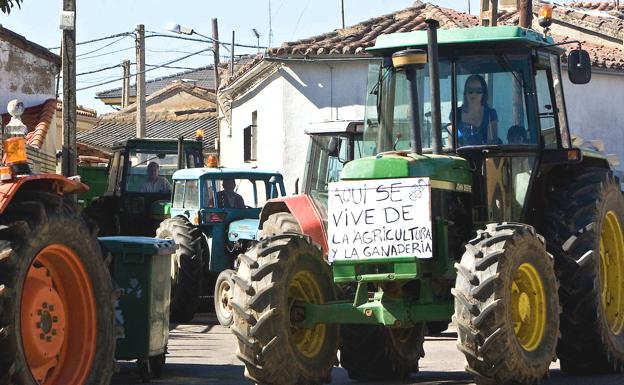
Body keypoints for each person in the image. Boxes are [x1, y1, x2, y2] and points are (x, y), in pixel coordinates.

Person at [456, 74, 499, 146]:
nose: (474, 94)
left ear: (484, 93)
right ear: (465, 93)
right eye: (470, 91)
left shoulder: (490, 114)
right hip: (459, 157)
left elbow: (492, 144)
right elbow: (450, 146)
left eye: (478, 91)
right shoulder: (456, 114)